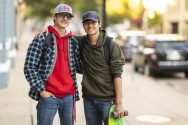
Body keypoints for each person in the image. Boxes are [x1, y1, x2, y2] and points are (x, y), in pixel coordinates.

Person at [24, 4, 81, 125]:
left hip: (69, 96)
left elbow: (79, 67)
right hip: (49, 96)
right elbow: (29, 67)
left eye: (68, 16)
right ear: (54, 17)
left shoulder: (73, 41)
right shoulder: (42, 38)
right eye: (62, 15)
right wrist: (42, 90)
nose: (65, 18)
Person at [76, 11, 125, 125]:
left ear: (99, 24)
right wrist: (49, 30)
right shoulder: (81, 42)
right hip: (89, 99)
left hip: (108, 100)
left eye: (93, 22)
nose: (90, 25)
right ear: (83, 25)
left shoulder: (111, 45)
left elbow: (117, 75)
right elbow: (63, 36)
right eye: (86, 23)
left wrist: (119, 103)